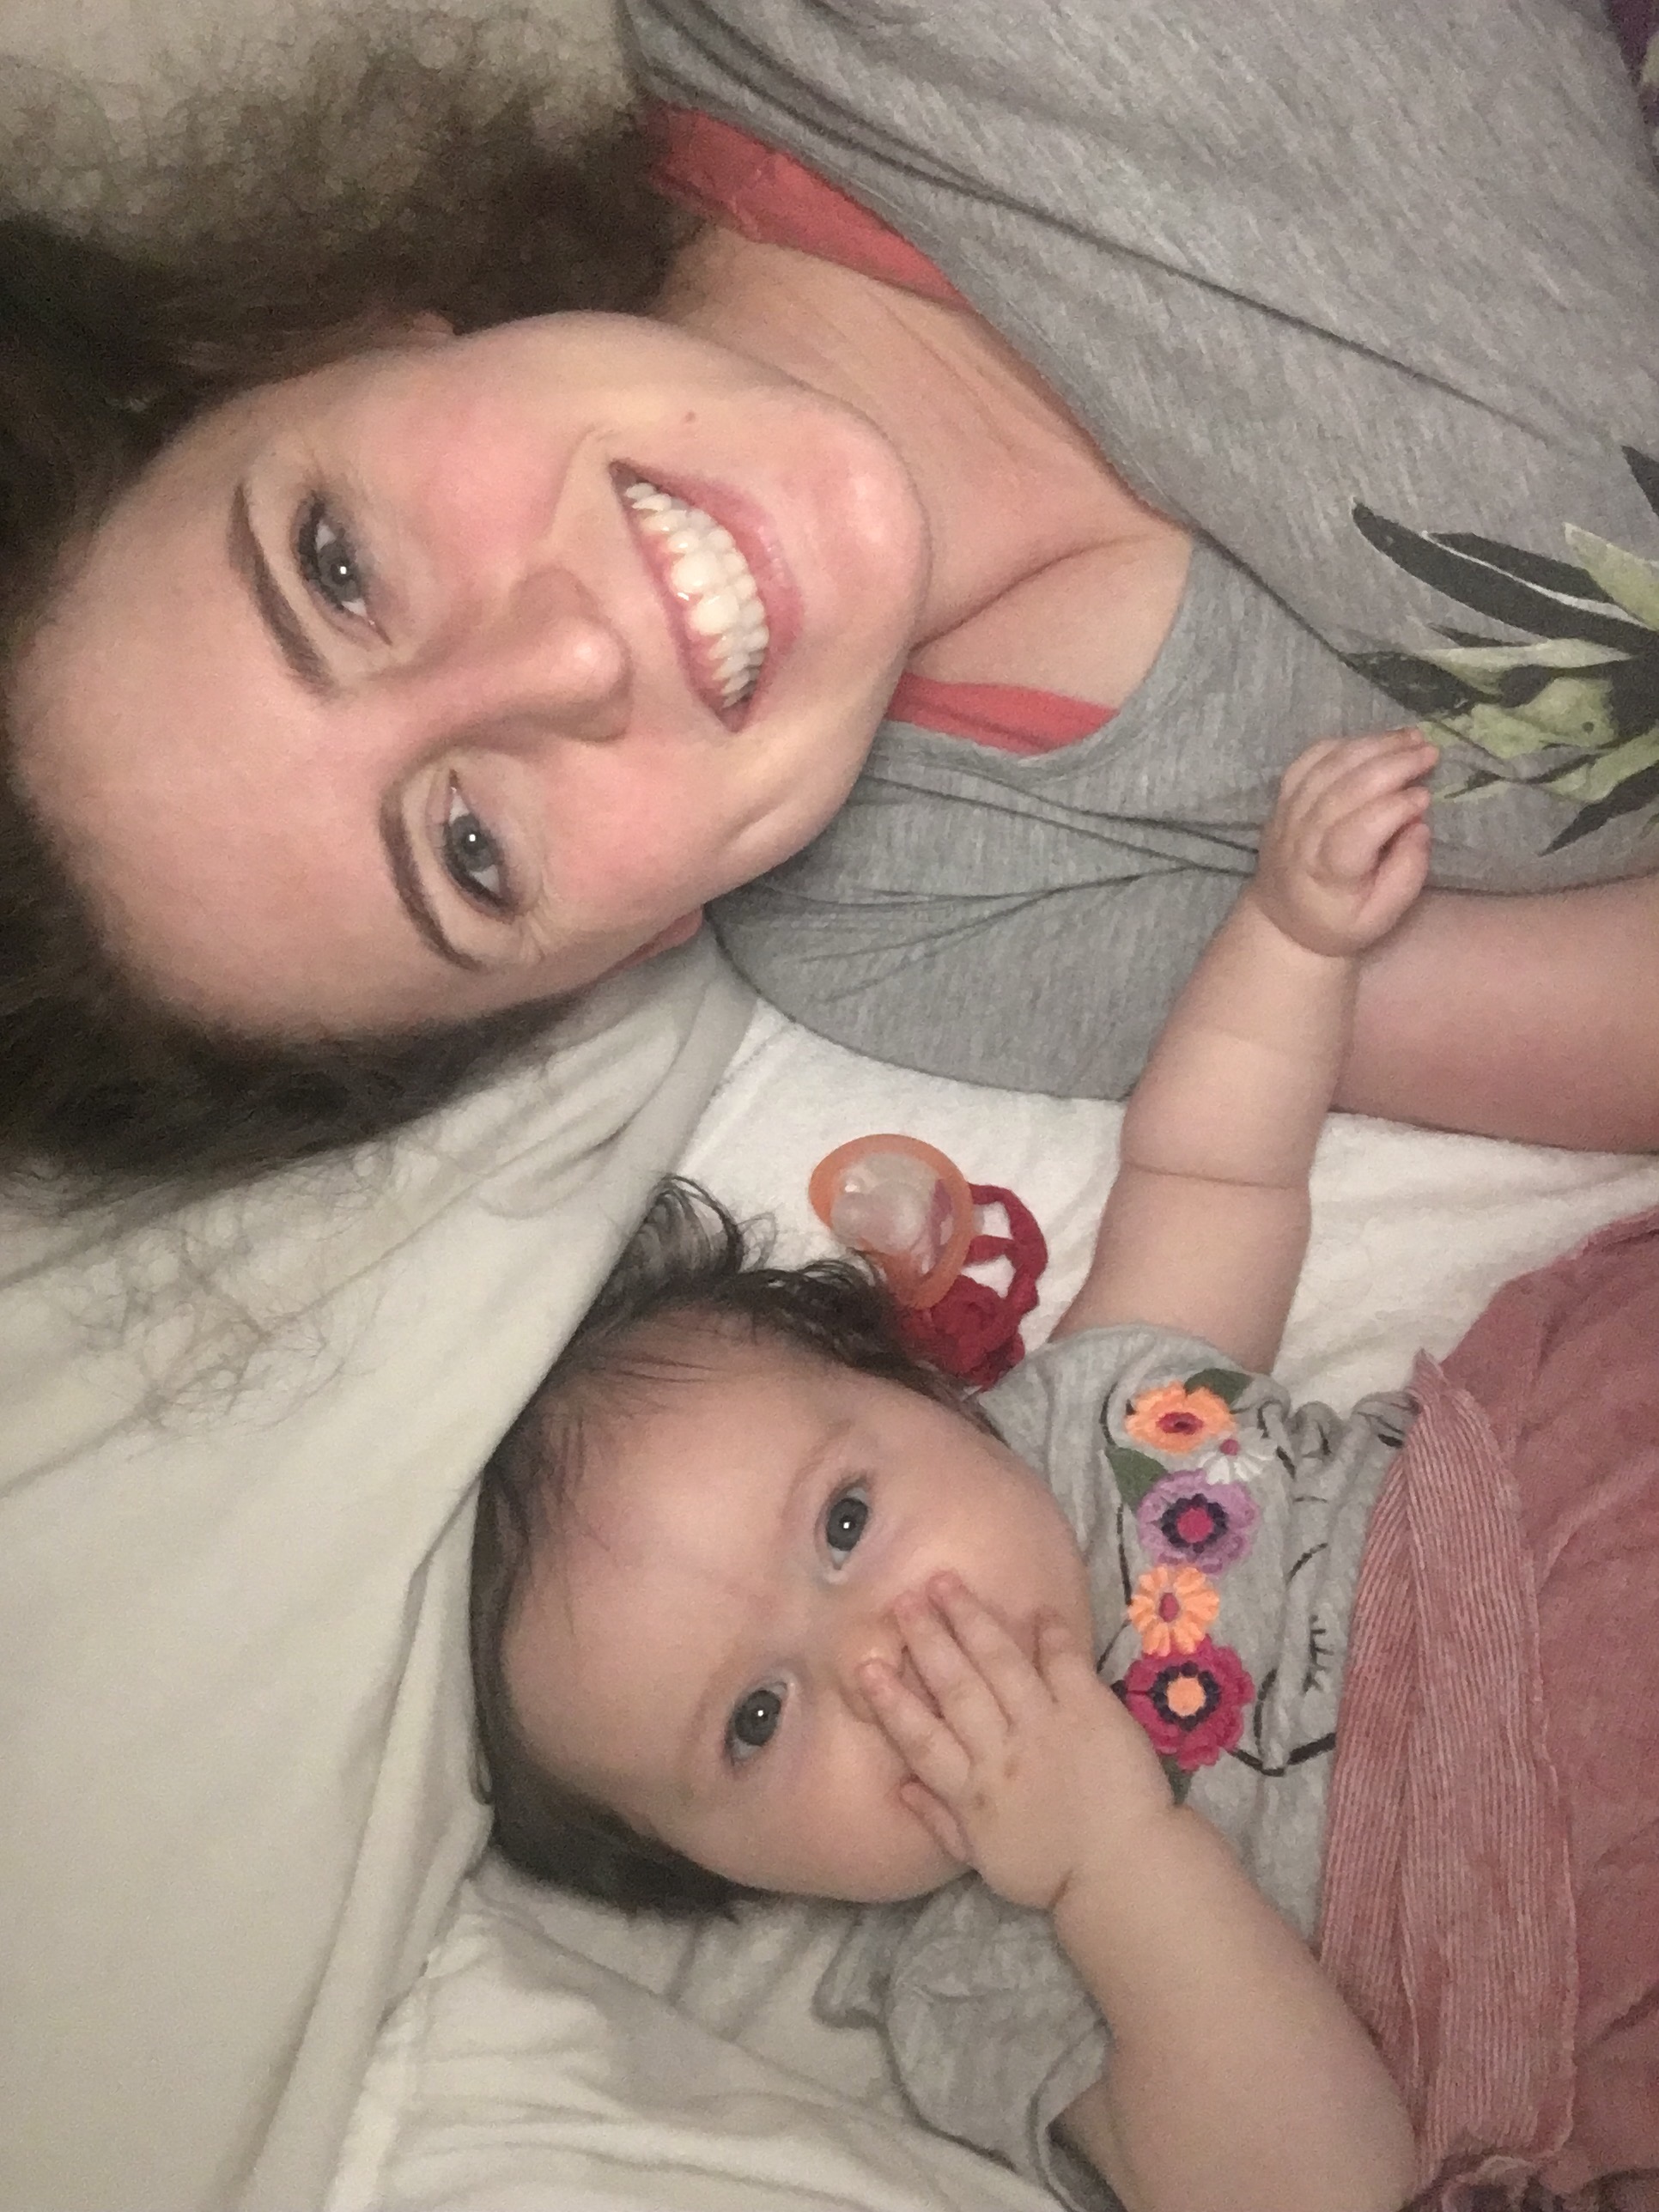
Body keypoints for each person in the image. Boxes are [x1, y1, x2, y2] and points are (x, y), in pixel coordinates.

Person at [6, 5, 1659, 1201]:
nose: (571, 656)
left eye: (337, 568)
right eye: (472, 850)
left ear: (325, 338)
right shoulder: (924, 922)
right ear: (620, 950)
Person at [472, 724, 1659, 2212]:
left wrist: (1293, 941)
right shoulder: (987, 1965)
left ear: (927, 1397)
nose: (883, 1658)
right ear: (724, 1879)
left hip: (1555, 1519)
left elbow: (1214, 1171)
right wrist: (1108, 1861)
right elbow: (1326, 2186)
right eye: (756, 1720)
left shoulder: (1091, 1427)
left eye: (846, 1521)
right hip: (1551, 1905)